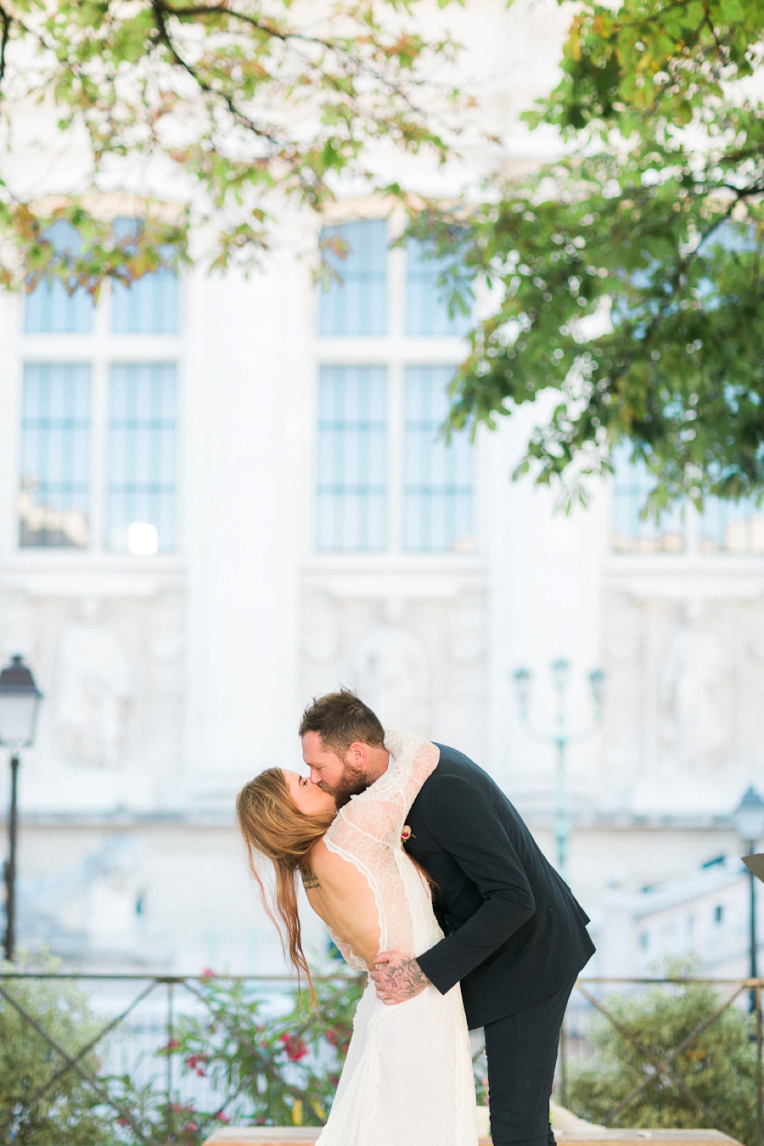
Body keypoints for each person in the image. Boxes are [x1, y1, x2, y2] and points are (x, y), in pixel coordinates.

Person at [301, 690, 595, 1146]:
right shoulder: (397, 785)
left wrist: (423, 970)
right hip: (490, 953)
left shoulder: (443, 789)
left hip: (532, 957)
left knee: (519, 1128)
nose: (315, 778)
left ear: (356, 753)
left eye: (319, 767)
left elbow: (514, 898)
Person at [236, 720, 478, 1146]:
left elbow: (359, 954)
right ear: (289, 812)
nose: (314, 779)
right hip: (419, 1007)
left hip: (385, 1005)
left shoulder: (310, 876)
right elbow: (421, 758)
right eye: (302, 781)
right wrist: (376, 738)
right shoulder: (351, 831)